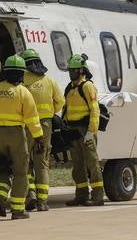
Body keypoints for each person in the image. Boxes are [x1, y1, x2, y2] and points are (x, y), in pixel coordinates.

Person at [0, 54, 44, 220]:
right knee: (20, 171)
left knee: (4, 166)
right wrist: (39, 138)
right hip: (16, 134)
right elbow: (33, 120)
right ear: (21, 74)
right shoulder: (23, 92)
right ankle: (18, 210)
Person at [21, 48, 65, 212]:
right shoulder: (50, 81)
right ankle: (43, 202)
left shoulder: (22, 80)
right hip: (46, 125)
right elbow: (60, 102)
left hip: (27, 125)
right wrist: (50, 112)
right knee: (42, 162)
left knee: (25, 160)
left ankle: (30, 193)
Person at [63, 53, 104, 206]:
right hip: (73, 131)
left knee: (92, 164)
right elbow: (65, 109)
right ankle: (81, 195)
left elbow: (95, 110)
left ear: (81, 71)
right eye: (70, 70)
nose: (71, 73)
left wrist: (91, 132)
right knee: (78, 165)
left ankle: (98, 196)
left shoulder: (87, 86)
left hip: (85, 130)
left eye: (73, 70)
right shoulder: (70, 88)